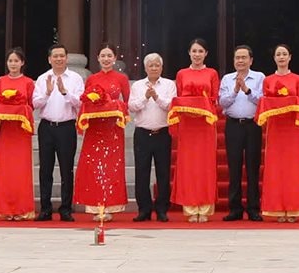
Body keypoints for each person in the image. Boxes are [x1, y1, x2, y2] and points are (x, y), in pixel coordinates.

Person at [76, 45, 131, 222]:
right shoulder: (92, 79)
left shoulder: (122, 78)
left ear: (115, 58)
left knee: (111, 168)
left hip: (113, 129)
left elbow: (127, 103)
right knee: (93, 167)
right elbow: (85, 102)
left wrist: (113, 106)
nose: (106, 59)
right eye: (103, 56)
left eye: (109, 56)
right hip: (95, 128)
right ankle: (95, 206)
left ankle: (111, 206)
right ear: (98, 58)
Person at [169, 38, 220, 223]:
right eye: (194, 51)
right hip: (188, 125)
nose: (197, 54)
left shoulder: (212, 73)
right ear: (189, 53)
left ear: (206, 54)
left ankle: (204, 208)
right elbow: (179, 97)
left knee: (205, 165)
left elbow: (214, 98)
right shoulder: (181, 74)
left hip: (205, 125)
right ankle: (190, 208)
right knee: (188, 165)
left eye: (200, 51)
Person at [33, 43, 83, 221]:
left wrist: (64, 93)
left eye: (62, 56)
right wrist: (47, 93)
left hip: (66, 128)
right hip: (46, 127)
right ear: (49, 59)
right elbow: (35, 103)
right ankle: (45, 209)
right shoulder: (42, 78)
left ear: (67, 58)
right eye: (55, 56)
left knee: (66, 170)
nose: (59, 59)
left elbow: (81, 103)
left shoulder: (76, 78)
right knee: (45, 170)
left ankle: (66, 209)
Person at [257, 44, 299, 222]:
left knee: (293, 168)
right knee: (276, 168)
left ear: (290, 57)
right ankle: (276, 208)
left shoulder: (297, 79)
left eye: (284, 54)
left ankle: (293, 208)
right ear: (274, 58)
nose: (281, 57)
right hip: (275, 128)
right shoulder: (268, 80)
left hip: (292, 128)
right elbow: (265, 102)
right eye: (278, 54)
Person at [0, 47, 37, 221]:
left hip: (21, 131)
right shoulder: (1, 81)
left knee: (21, 170)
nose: (13, 64)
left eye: (16, 61)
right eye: (10, 61)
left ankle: (22, 209)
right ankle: (6, 209)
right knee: (6, 170)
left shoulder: (28, 82)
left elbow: (31, 105)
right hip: (6, 131)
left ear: (22, 63)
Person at [220, 44, 265, 222]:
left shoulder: (259, 77)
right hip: (233, 126)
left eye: (244, 57)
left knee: (253, 168)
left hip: (252, 125)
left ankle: (253, 208)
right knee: (234, 168)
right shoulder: (227, 79)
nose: (240, 61)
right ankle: (235, 209)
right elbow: (222, 103)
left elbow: (262, 100)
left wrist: (247, 90)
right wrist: (235, 90)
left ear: (251, 60)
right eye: (237, 58)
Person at [129, 52, 175, 222]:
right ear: (145, 68)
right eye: (151, 65)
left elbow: (171, 105)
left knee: (163, 173)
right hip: (142, 134)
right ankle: (144, 209)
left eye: (157, 65)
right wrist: (145, 97)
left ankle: (162, 209)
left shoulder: (169, 84)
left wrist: (156, 97)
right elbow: (132, 106)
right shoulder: (137, 86)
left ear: (161, 68)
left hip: (162, 133)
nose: (154, 68)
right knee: (142, 173)